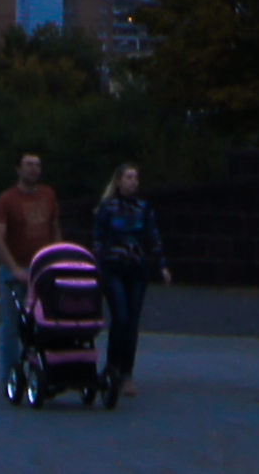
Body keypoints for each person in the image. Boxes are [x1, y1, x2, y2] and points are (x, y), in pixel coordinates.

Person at [89, 162, 171, 401]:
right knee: (121, 317)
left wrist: (162, 265)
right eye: (129, 177)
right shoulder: (107, 208)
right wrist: (96, 266)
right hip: (113, 267)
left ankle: (127, 373)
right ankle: (112, 366)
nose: (133, 182)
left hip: (136, 269)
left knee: (132, 321)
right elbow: (99, 239)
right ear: (118, 181)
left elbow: (152, 237)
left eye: (136, 178)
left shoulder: (143, 208)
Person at [0, 150, 61, 387]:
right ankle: (10, 375)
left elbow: (54, 229)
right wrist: (13, 269)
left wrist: (58, 258)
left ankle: (44, 369)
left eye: (38, 165)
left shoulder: (49, 195)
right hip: (16, 267)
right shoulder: (7, 200)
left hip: (43, 267)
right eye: (29, 165)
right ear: (18, 169)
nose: (34, 169)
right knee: (12, 325)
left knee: (46, 322)